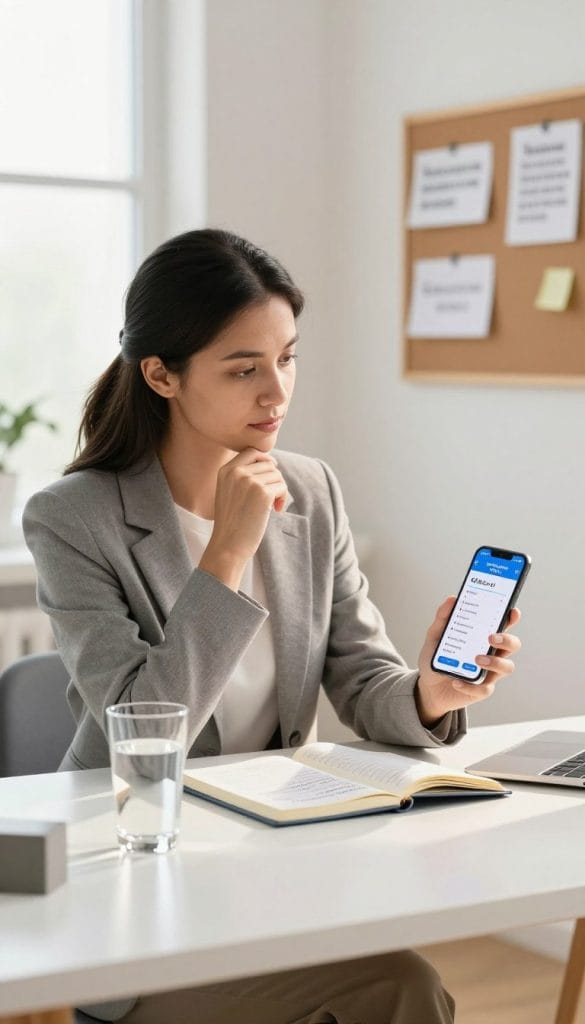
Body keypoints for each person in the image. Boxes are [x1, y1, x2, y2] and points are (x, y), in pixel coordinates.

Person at [23, 229, 521, 1024]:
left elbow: (362, 678)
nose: (276, 393)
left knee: (404, 981)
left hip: (276, 874)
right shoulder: (72, 519)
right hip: (135, 897)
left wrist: (429, 690)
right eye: (244, 368)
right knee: (398, 991)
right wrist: (227, 549)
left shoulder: (311, 490)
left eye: (286, 358)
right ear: (161, 375)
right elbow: (143, 730)